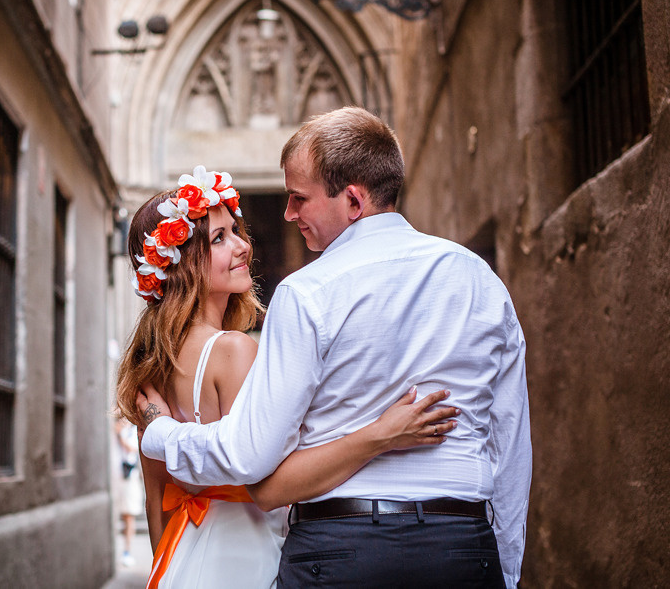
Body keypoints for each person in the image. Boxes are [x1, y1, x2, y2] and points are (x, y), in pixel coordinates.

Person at [138, 107, 532, 588]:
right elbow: (509, 443)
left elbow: (248, 456)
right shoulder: (480, 280)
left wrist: (160, 433)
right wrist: (506, 570)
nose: (287, 213)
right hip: (463, 548)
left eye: (298, 198)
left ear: (352, 200)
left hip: (339, 553)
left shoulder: (308, 293)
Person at [116, 165, 460, 589]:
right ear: (184, 264)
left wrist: (174, 570)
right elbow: (269, 480)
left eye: (235, 231)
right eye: (219, 239)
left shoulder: (153, 366)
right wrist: (380, 434)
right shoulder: (233, 350)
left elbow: (158, 500)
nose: (242, 246)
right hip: (247, 556)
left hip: (184, 557)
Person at [115, 417, 143, 567]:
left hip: (128, 478)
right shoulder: (118, 429)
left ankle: (127, 551)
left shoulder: (132, 431)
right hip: (117, 477)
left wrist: (120, 435)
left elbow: (132, 449)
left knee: (129, 515)